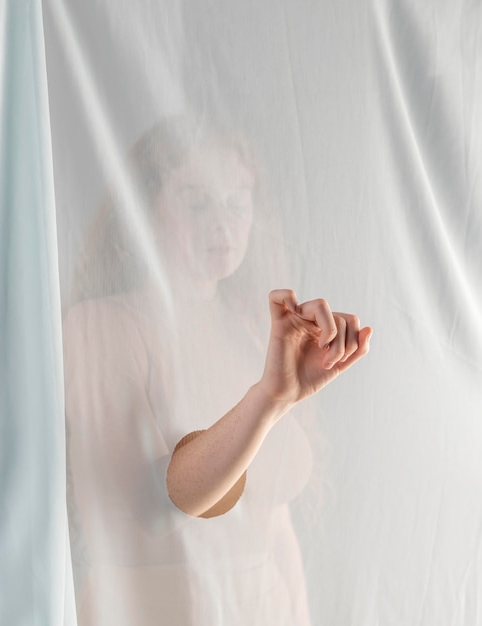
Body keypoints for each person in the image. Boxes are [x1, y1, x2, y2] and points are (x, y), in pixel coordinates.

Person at [63, 116, 372, 625]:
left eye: (237, 200)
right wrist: (270, 397)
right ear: (145, 206)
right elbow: (150, 506)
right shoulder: (101, 327)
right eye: (195, 199)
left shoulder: (255, 333)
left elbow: (275, 528)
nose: (223, 223)